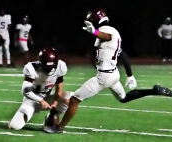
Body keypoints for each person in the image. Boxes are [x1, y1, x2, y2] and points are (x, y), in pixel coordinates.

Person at [44, 9, 172, 133]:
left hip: (104, 77)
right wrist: (129, 75)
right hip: (114, 74)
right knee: (124, 98)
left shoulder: (106, 30)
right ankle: (154, 90)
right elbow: (123, 54)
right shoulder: (114, 32)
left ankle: (59, 127)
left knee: (74, 99)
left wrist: (94, 32)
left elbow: (105, 36)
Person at [8, 47, 72, 130]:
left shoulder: (60, 66)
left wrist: (55, 103)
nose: (48, 69)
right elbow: (26, 90)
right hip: (31, 100)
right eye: (46, 66)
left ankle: (51, 116)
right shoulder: (32, 68)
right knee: (14, 126)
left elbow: (59, 89)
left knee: (70, 98)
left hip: (48, 98)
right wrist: (41, 101)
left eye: (51, 66)